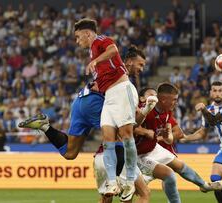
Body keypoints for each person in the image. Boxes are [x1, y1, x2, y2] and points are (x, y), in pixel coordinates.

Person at [18, 41, 151, 201]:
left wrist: (142, 110)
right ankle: (120, 181)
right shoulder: (120, 74)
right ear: (129, 61)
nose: (141, 69)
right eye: (140, 64)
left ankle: (45, 127)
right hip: (94, 101)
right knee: (119, 135)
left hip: (81, 101)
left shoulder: (120, 77)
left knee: (70, 152)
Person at [73, 18, 139, 200]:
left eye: (78, 37)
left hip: (122, 90)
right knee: (108, 138)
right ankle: (112, 181)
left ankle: (130, 181)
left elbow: (113, 50)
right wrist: (97, 85)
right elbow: (104, 75)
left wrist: (96, 61)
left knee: (126, 135)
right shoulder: (92, 51)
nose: (78, 41)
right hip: (109, 96)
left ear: (87, 33)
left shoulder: (100, 40)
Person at [135, 83, 222, 197]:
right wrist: (146, 132)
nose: (177, 102)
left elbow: (171, 138)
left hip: (152, 147)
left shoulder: (167, 111)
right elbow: (127, 128)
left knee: (179, 166)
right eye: (174, 99)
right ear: (163, 99)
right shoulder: (143, 107)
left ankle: (204, 185)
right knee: (146, 189)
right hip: (136, 153)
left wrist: (166, 136)